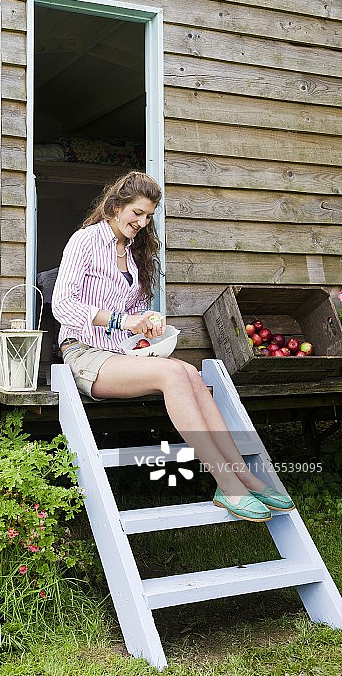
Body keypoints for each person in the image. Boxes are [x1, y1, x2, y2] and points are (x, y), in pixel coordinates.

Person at [51, 171, 294, 522]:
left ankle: (245, 477)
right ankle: (227, 483)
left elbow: (133, 311)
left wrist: (146, 318)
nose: (142, 223)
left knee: (189, 372)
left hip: (120, 354)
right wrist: (121, 321)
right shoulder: (85, 241)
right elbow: (63, 306)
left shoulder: (133, 252)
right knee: (173, 375)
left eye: (148, 216)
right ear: (116, 206)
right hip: (84, 353)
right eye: (137, 213)